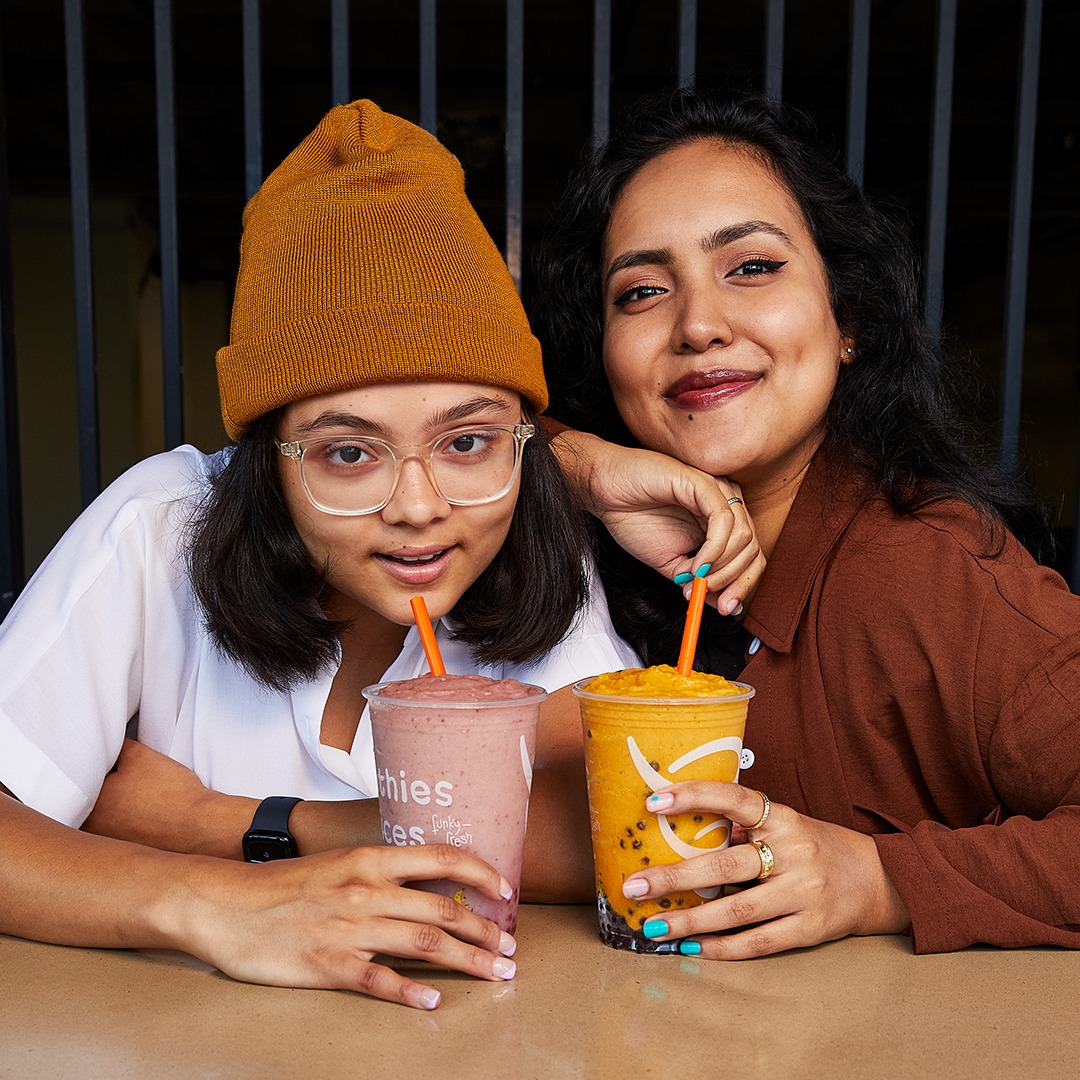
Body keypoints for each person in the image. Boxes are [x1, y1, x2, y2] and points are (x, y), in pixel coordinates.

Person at [0, 99, 643, 1009]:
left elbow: (608, 838)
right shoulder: (159, 530)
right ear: (266, 461)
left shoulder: (537, 551)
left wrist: (228, 826)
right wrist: (212, 905)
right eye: (348, 453)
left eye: (467, 442)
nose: (419, 508)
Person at [533, 85, 1080, 957]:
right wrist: (582, 467)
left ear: (847, 317)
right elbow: (426, 438)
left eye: (751, 267)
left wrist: (882, 878)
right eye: (642, 290)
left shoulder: (930, 570)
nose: (698, 325)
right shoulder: (615, 545)